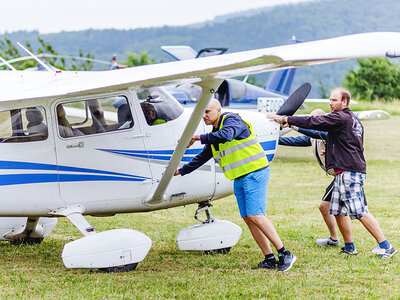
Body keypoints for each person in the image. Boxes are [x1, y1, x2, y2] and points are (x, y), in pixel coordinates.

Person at [268, 87, 396, 259]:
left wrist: (286, 119)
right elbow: (341, 141)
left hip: (349, 171)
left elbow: (313, 124)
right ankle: (349, 247)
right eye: (330, 100)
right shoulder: (351, 119)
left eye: (334, 100)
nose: (330, 103)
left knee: (359, 211)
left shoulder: (341, 117)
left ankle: (386, 246)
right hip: (345, 171)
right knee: (337, 210)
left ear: (345, 102)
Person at [174, 98, 296, 272]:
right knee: (248, 218)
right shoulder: (215, 132)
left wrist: (197, 137)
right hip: (240, 176)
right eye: (202, 113)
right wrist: (180, 171)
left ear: (219, 110)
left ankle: (285, 253)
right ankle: (269, 258)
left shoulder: (231, 120)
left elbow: (227, 135)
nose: (204, 116)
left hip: (255, 172)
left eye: (207, 111)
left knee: (256, 215)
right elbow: (203, 156)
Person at [279, 109, 342, 247]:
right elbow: (295, 141)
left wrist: (292, 124)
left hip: (343, 174)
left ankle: (340, 241)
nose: (311, 122)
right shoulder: (314, 136)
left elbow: (315, 132)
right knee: (329, 208)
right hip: (338, 176)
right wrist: (273, 140)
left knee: (351, 212)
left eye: (313, 120)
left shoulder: (325, 133)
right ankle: (336, 239)